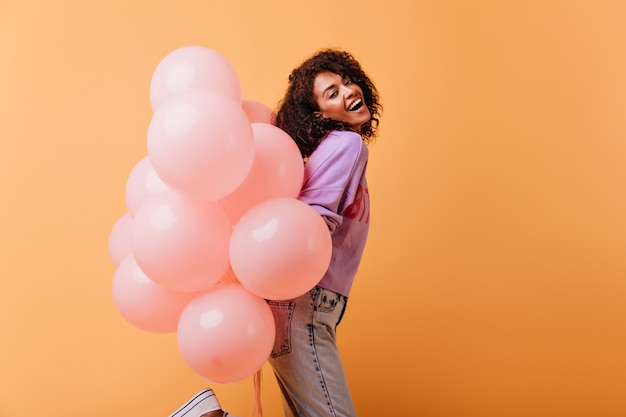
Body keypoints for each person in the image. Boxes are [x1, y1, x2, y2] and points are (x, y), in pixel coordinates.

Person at [168, 48, 382, 417]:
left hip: (301, 303)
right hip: (306, 303)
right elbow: (314, 219)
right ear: (319, 114)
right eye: (331, 93)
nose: (348, 91)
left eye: (347, 81)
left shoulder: (327, 150)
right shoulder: (347, 144)